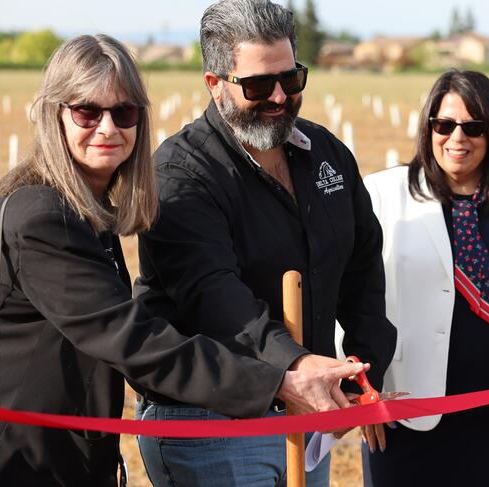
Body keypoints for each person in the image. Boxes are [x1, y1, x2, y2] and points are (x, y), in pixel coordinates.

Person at [0, 34, 367, 487]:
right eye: (86, 111)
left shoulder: (83, 207)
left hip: (52, 458)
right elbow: (134, 341)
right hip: (8, 463)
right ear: (53, 115)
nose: (107, 127)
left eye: (124, 112)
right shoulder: (40, 216)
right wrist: (279, 381)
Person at [131, 1, 396, 486]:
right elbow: (216, 296)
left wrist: (362, 365)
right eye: (257, 85)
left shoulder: (327, 155)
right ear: (215, 84)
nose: (279, 96)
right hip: (213, 423)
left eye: (291, 79)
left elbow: (363, 263)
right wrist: (296, 365)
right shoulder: (180, 175)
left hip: (307, 420)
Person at [361, 69, 489, 486]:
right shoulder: (383, 194)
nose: (458, 138)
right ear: (429, 127)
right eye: (444, 124)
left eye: (474, 127)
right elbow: (355, 299)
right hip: (404, 414)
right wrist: (361, 393)